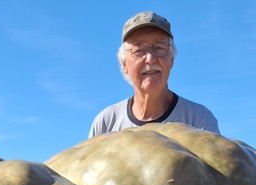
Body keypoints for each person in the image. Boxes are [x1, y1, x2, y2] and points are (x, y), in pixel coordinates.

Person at [89, 11, 220, 138]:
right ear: (124, 65)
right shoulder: (105, 123)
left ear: (171, 60)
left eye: (159, 48)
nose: (150, 59)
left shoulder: (199, 120)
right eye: (139, 50)